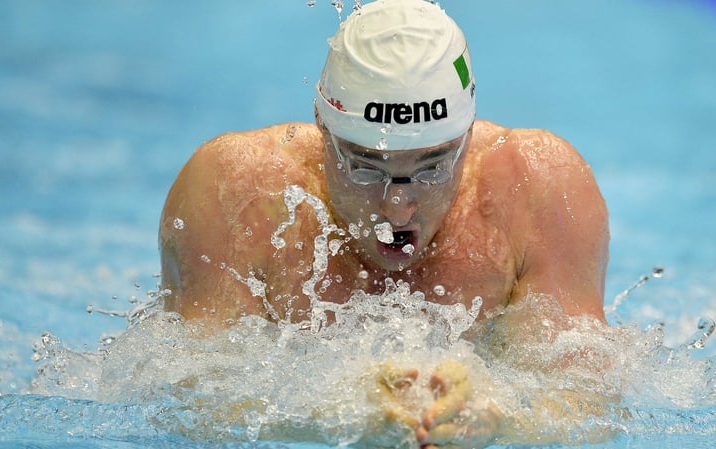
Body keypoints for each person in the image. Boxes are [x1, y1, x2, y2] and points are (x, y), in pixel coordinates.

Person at [158, 0, 610, 446]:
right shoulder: (236, 194)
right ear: (323, 128)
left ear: (468, 135)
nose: (398, 209)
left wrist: (499, 420)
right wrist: (340, 413)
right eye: (365, 168)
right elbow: (192, 405)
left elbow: (589, 405)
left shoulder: (538, 189)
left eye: (433, 168)